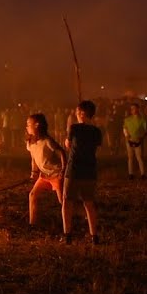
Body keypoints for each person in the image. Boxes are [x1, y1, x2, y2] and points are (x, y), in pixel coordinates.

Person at [62, 100, 103, 244]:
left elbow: (67, 145)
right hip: (90, 170)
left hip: (74, 169)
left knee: (67, 202)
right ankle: (94, 236)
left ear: (82, 113)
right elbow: (96, 147)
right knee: (89, 203)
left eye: (77, 111)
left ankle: (67, 235)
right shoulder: (97, 131)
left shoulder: (74, 128)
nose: (75, 114)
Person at [24, 113, 66, 227]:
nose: (27, 126)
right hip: (44, 176)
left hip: (56, 174)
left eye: (29, 124)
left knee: (63, 201)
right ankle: (32, 224)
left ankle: (83, 213)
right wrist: (34, 172)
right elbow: (33, 158)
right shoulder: (30, 142)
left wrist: (63, 170)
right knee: (32, 195)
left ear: (37, 125)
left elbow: (61, 152)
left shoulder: (47, 141)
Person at [122, 103, 147, 180]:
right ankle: (131, 174)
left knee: (139, 157)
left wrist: (141, 137)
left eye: (134, 108)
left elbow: (146, 130)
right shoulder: (127, 119)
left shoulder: (142, 119)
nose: (132, 110)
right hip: (129, 140)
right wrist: (127, 137)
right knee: (130, 157)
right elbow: (125, 129)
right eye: (131, 108)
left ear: (138, 109)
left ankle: (143, 174)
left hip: (139, 140)